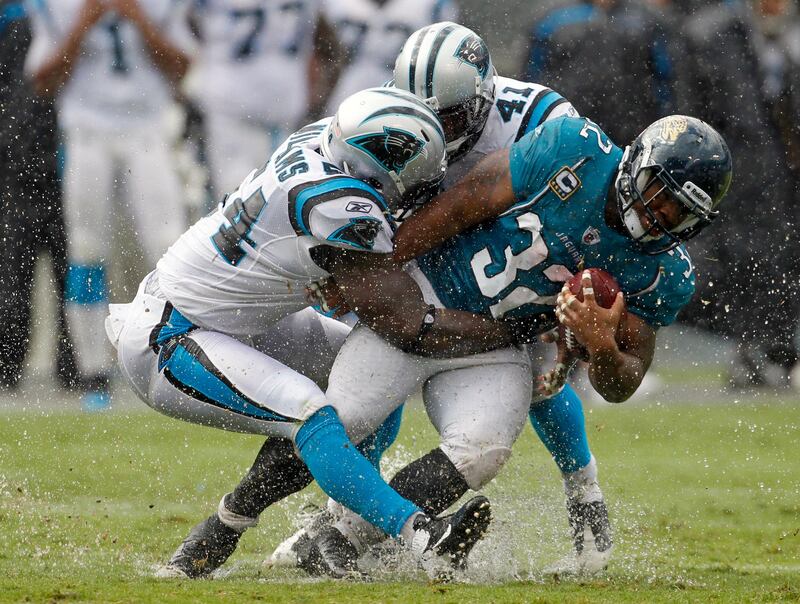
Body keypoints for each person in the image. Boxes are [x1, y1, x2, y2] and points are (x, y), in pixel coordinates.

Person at [294, 112, 731, 576]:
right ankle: (234, 519)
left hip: (493, 342)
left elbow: (623, 383)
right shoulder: (573, 147)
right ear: (636, 162)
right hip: (421, 301)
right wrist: (372, 267)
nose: (657, 217)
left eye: (677, 213)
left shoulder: (665, 272)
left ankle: (346, 539)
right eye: (659, 194)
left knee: (482, 450)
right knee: (338, 422)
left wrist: (601, 345)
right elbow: (464, 202)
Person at [107, 88, 513, 579]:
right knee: (312, 415)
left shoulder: (325, 141)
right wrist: (520, 326)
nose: (415, 192)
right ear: (375, 169)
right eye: (412, 181)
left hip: (235, 318)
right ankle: (421, 535)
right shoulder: (340, 204)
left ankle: (334, 530)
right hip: (172, 336)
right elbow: (408, 324)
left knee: (372, 379)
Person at [269, 21, 613, 575]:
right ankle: (341, 521)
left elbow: (581, 210)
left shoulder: (541, 122)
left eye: (451, 115)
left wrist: (565, 294)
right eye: (424, 109)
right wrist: (349, 267)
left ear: (483, 96)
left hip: (511, 256)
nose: (438, 126)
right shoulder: (388, 114)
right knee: (378, 371)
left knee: (539, 373)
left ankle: (585, 494)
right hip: (416, 253)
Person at [25, 0, 193, 409]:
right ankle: (93, 373)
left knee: (168, 245)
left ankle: (177, 358)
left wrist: (140, 19)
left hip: (148, 128)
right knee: (86, 250)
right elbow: (43, 80)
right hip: (86, 130)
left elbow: (182, 68)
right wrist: (82, 25)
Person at [186, 0, 342, 199]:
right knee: (237, 203)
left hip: (285, 114)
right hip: (233, 114)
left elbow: (323, 36)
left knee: (288, 204)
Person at [0, 0, 77, 390]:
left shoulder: (77, 16)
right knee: (13, 275)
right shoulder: (15, 19)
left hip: (71, 161)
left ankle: (77, 364)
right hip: (18, 167)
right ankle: (7, 365)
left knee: (77, 266)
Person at [321, 0, 458, 116]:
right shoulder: (337, 5)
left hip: (403, 84)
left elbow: (445, 52)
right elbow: (319, 49)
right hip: (351, 84)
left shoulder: (431, 5)